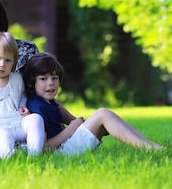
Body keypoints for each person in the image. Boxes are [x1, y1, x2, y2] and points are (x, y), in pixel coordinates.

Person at [24, 53, 163, 154]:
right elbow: (44, 148)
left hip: (67, 146)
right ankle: (150, 149)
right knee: (102, 114)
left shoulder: (50, 102)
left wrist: (91, 125)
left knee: (104, 115)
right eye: (43, 79)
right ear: (31, 82)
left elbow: (75, 121)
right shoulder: (37, 107)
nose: (51, 83)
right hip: (59, 153)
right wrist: (71, 129)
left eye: (54, 78)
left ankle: (150, 146)